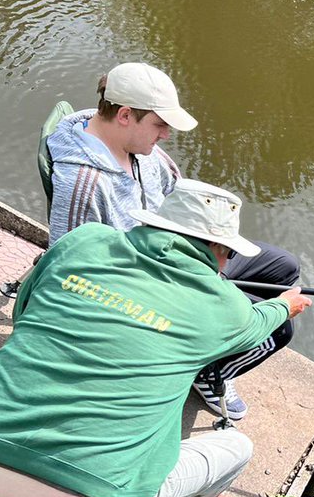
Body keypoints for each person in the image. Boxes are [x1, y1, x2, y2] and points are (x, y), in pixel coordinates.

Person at [0, 181, 312, 497]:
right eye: (229, 252)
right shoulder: (226, 305)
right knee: (238, 448)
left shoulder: (83, 241)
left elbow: (24, 313)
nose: (228, 263)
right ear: (217, 246)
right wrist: (285, 306)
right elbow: (259, 323)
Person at [46, 63, 301, 420]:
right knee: (279, 327)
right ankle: (208, 373)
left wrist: (211, 252)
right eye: (160, 124)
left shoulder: (142, 151)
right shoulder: (83, 184)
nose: (166, 135)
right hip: (145, 285)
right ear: (124, 115)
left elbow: (180, 198)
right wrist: (194, 285)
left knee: (283, 268)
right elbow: (67, 270)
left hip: (176, 255)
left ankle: (211, 349)